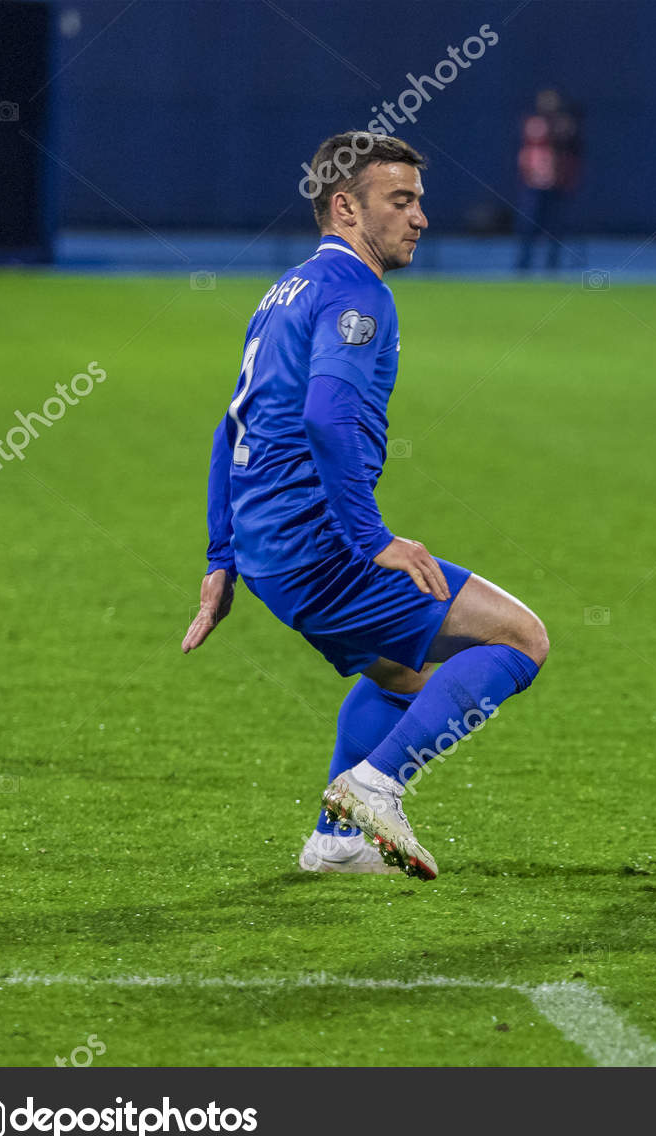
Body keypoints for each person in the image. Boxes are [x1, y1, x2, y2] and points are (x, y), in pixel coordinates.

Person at [182, 132, 549, 880]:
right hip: (317, 546)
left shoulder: (288, 287)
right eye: (401, 200)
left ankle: (337, 840)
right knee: (519, 639)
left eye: (419, 200)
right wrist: (371, 536)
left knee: (404, 676)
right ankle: (374, 787)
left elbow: (232, 425)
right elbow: (325, 416)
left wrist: (222, 558)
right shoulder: (359, 294)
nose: (420, 217)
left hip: (269, 551)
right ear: (346, 206)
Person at [515, 89, 582, 271]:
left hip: (557, 184)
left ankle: (552, 265)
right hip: (534, 183)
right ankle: (523, 264)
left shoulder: (565, 124)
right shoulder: (534, 123)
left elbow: (572, 147)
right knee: (528, 225)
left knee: (555, 226)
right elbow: (531, 144)